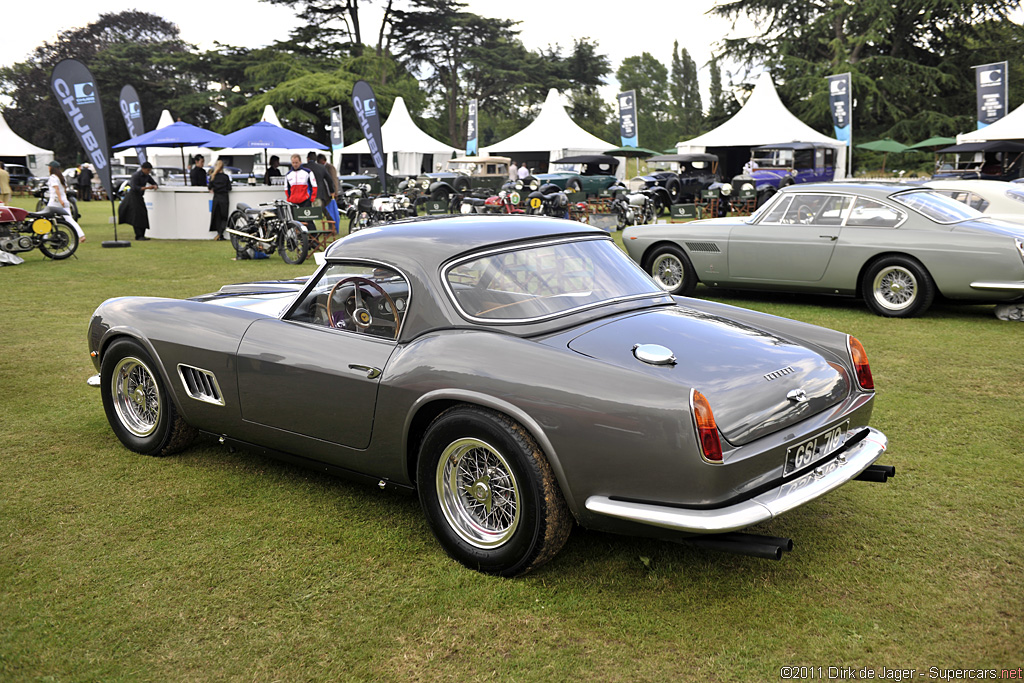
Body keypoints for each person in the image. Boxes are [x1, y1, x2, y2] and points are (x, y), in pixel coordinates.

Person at [45, 160, 86, 243]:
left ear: (52, 168)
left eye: (49, 166)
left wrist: (60, 200)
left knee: (46, 218)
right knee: (69, 219)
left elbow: (56, 189)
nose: (48, 168)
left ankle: (45, 236)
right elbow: (64, 189)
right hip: (64, 200)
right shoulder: (61, 177)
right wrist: (62, 200)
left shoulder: (53, 177)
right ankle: (81, 235)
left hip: (55, 201)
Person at [118, 161, 158, 240]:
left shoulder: (147, 176)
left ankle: (142, 234)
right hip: (133, 197)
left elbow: (153, 182)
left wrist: (155, 185)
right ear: (143, 169)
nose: (148, 172)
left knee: (143, 215)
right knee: (136, 216)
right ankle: (138, 235)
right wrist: (147, 188)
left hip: (140, 197)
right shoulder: (135, 176)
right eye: (148, 170)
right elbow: (134, 187)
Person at [208, 159, 232, 241]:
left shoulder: (213, 176)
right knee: (224, 217)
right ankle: (220, 234)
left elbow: (209, 187)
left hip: (216, 198)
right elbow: (229, 188)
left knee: (217, 217)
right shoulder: (225, 177)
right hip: (224, 198)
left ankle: (219, 234)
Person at [318, 153, 341, 232]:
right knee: (325, 211)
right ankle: (330, 227)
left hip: (330, 193)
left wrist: (335, 192)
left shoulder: (330, 167)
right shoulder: (323, 168)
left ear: (322, 160)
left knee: (330, 211)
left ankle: (332, 227)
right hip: (325, 193)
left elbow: (334, 180)